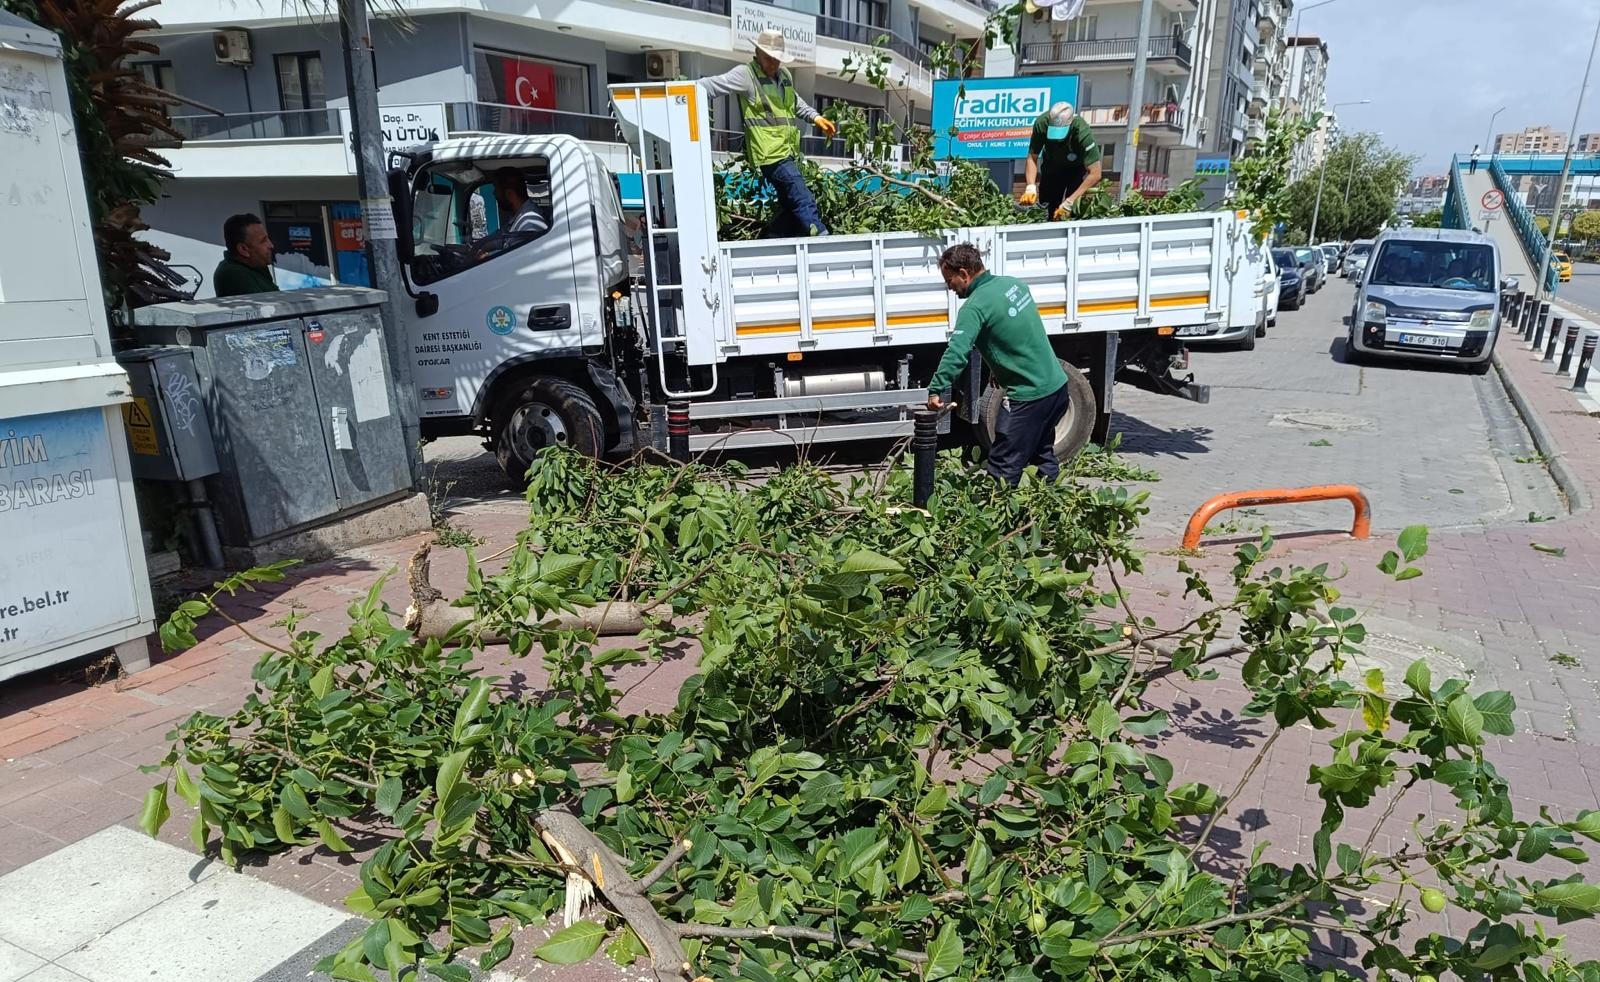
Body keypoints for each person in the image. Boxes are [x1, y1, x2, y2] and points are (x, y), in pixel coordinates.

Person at [925, 243, 1070, 485]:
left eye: (950, 280)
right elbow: (1014, 332)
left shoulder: (974, 307)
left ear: (964, 273)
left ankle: (999, 520)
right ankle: (1051, 512)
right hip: (1057, 389)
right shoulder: (1013, 284)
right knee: (1041, 454)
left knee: (1003, 467)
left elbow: (957, 352)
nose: (949, 287)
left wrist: (936, 388)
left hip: (1030, 397)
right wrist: (998, 367)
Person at [699, 29, 837, 238]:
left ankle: (770, 237)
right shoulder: (746, 75)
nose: (773, 64)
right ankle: (822, 239)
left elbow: (796, 103)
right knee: (802, 198)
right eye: (769, 58)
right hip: (769, 155)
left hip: (787, 152)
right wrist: (678, 95)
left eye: (777, 59)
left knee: (792, 206)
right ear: (757, 53)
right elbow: (710, 86)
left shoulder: (785, 76)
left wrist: (816, 118)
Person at [1019, 102, 1103, 219]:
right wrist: (1030, 187)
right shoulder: (1041, 123)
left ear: (1070, 122)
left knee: (1072, 211)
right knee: (1047, 208)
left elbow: (1095, 173)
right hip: (1052, 166)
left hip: (1077, 169)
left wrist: (1070, 202)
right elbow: (1032, 157)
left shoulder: (1082, 132)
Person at [212, 213, 277, 297]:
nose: (271, 245)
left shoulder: (256, 264)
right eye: (263, 241)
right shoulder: (232, 274)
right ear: (243, 249)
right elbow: (267, 306)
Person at [492, 167, 549, 236]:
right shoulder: (517, 217)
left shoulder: (529, 222)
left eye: (496, 189)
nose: (494, 193)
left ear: (510, 194)